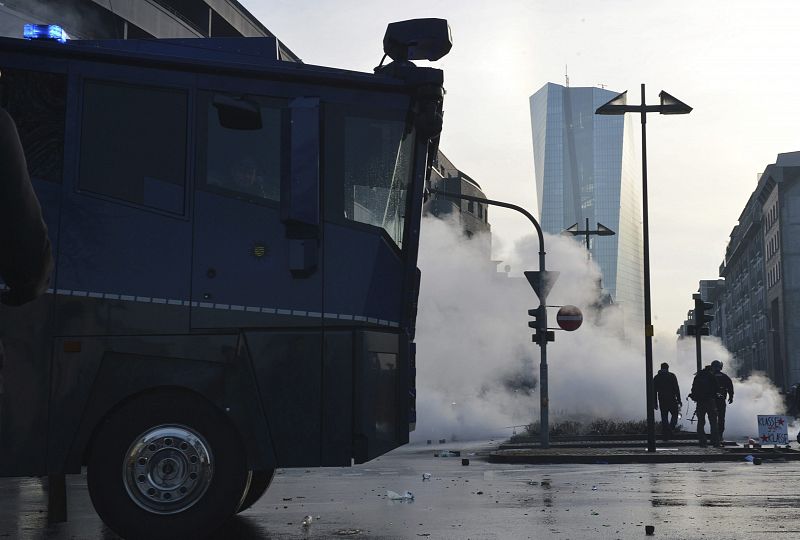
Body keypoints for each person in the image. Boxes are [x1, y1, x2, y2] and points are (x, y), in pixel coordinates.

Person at [690, 365, 720, 447]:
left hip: (700, 402)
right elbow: (717, 389)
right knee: (713, 422)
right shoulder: (711, 376)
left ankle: (702, 442)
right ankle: (715, 442)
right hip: (710, 402)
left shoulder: (698, 376)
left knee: (700, 422)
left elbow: (693, 389)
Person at [653, 362, 682, 438]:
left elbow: (654, 391)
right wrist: (679, 400)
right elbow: (676, 388)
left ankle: (666, 432)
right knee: (675, 414)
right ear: (667, 368)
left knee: (664, 416)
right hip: (672, 399)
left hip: (662, 400)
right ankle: (670, 428)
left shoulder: (656, 377)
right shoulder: (672, 376)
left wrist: (655, 403)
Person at [710, 360, 734, 444]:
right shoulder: (725, 377)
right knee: (721, 418)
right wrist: (731, 397)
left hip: (711, 400)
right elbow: (730, 388)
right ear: (720, 367)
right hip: (721, 400)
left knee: (712, 418)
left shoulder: (710, 376)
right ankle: (720, 435)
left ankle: (714, 436)